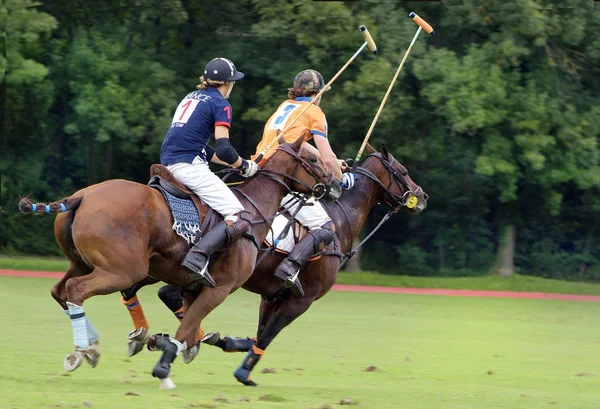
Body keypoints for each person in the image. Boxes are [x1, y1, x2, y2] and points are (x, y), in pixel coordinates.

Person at [251, 69, 357, 297]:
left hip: (257, 170)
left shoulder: (286, 107)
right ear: (318, 93)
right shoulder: (315, 112)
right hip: (280, 177)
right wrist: (340, 177)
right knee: (325, 227)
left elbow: (295, 143)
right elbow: (325, 156)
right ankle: (289, 268)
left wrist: (335, 162)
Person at [160, 57, 259, 288]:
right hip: (188, 167)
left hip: (168, 164)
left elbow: (202, 146)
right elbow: (224, 147)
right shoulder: (220, 104)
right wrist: (243, 166)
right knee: (240, 216)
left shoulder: (191, 97)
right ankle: (198, 257)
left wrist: (231, 164)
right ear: (226, 83)